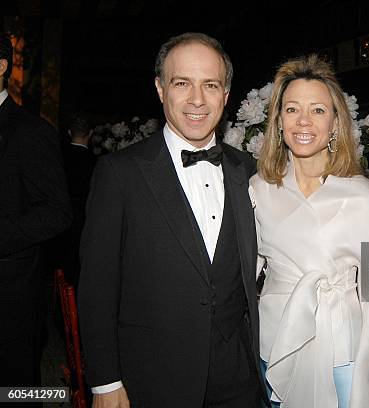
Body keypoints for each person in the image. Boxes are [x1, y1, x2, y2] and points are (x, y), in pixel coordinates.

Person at [78, 33, 262, 408]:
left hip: (239, 377)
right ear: (161, 89)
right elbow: (97, 287)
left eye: (210, 85)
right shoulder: (120, 173)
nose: (197, 99)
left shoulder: (250, 170)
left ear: (225, 96)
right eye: (182, 83)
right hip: (151, 378)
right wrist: (104, 382)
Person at [250, 54, 369, 408]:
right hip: (275, 344)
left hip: (341, 351)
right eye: (292, 109)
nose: (304, 121)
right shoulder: (258, 188)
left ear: (334, 123)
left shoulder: (363, 195)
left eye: (317, 110)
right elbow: (241, 275)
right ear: (279, 121)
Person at [0, 32, 72, 389]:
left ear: (1, 67)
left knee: (14, 390)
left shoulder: (30, 132)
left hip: (9, 298)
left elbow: (58, 212)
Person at [59, 114, 97, 284]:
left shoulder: (57, 159)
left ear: (69, 132)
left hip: (59, 223)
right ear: (90, 133)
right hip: (84, 223)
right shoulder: (97, 163)